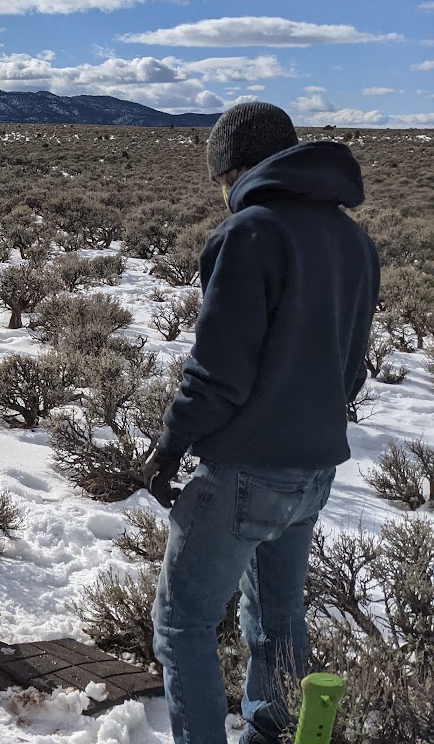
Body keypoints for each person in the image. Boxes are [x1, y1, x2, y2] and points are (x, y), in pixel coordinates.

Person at [139, 101, 380, 744]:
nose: (223, 194)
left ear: (235, 168)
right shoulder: (353, 238)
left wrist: (170, 445)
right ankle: (274, 732)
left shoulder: (250, 231)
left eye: (222, 179)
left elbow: (219, 371)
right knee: (277, 612)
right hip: (316, 469)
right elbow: (351, 370)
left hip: (245, 471)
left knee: (183, 624)